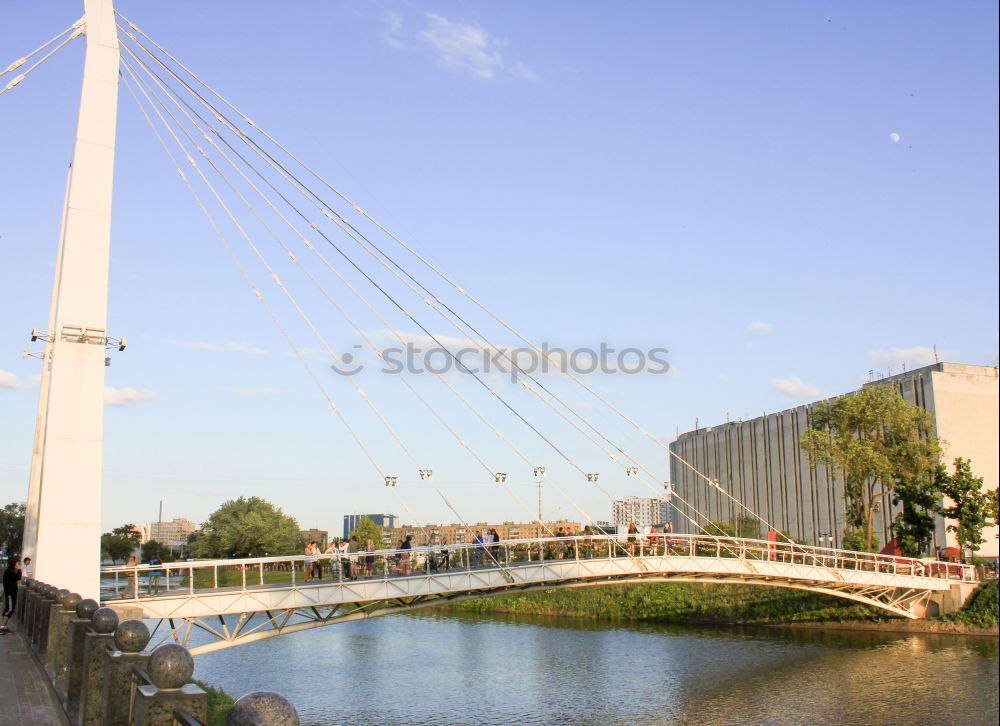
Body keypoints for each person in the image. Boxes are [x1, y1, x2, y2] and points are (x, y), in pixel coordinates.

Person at [1, 557, 22, 633]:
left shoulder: (10, 570)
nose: (19, 564)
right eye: (17, 563)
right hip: (10, 594)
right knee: (9, 609)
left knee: (8, 609)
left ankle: (3, 626)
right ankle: (2, 627)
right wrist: (19, 569)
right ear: (14, 563)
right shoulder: (9, 571)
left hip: (10, 593)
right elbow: (18, 578)